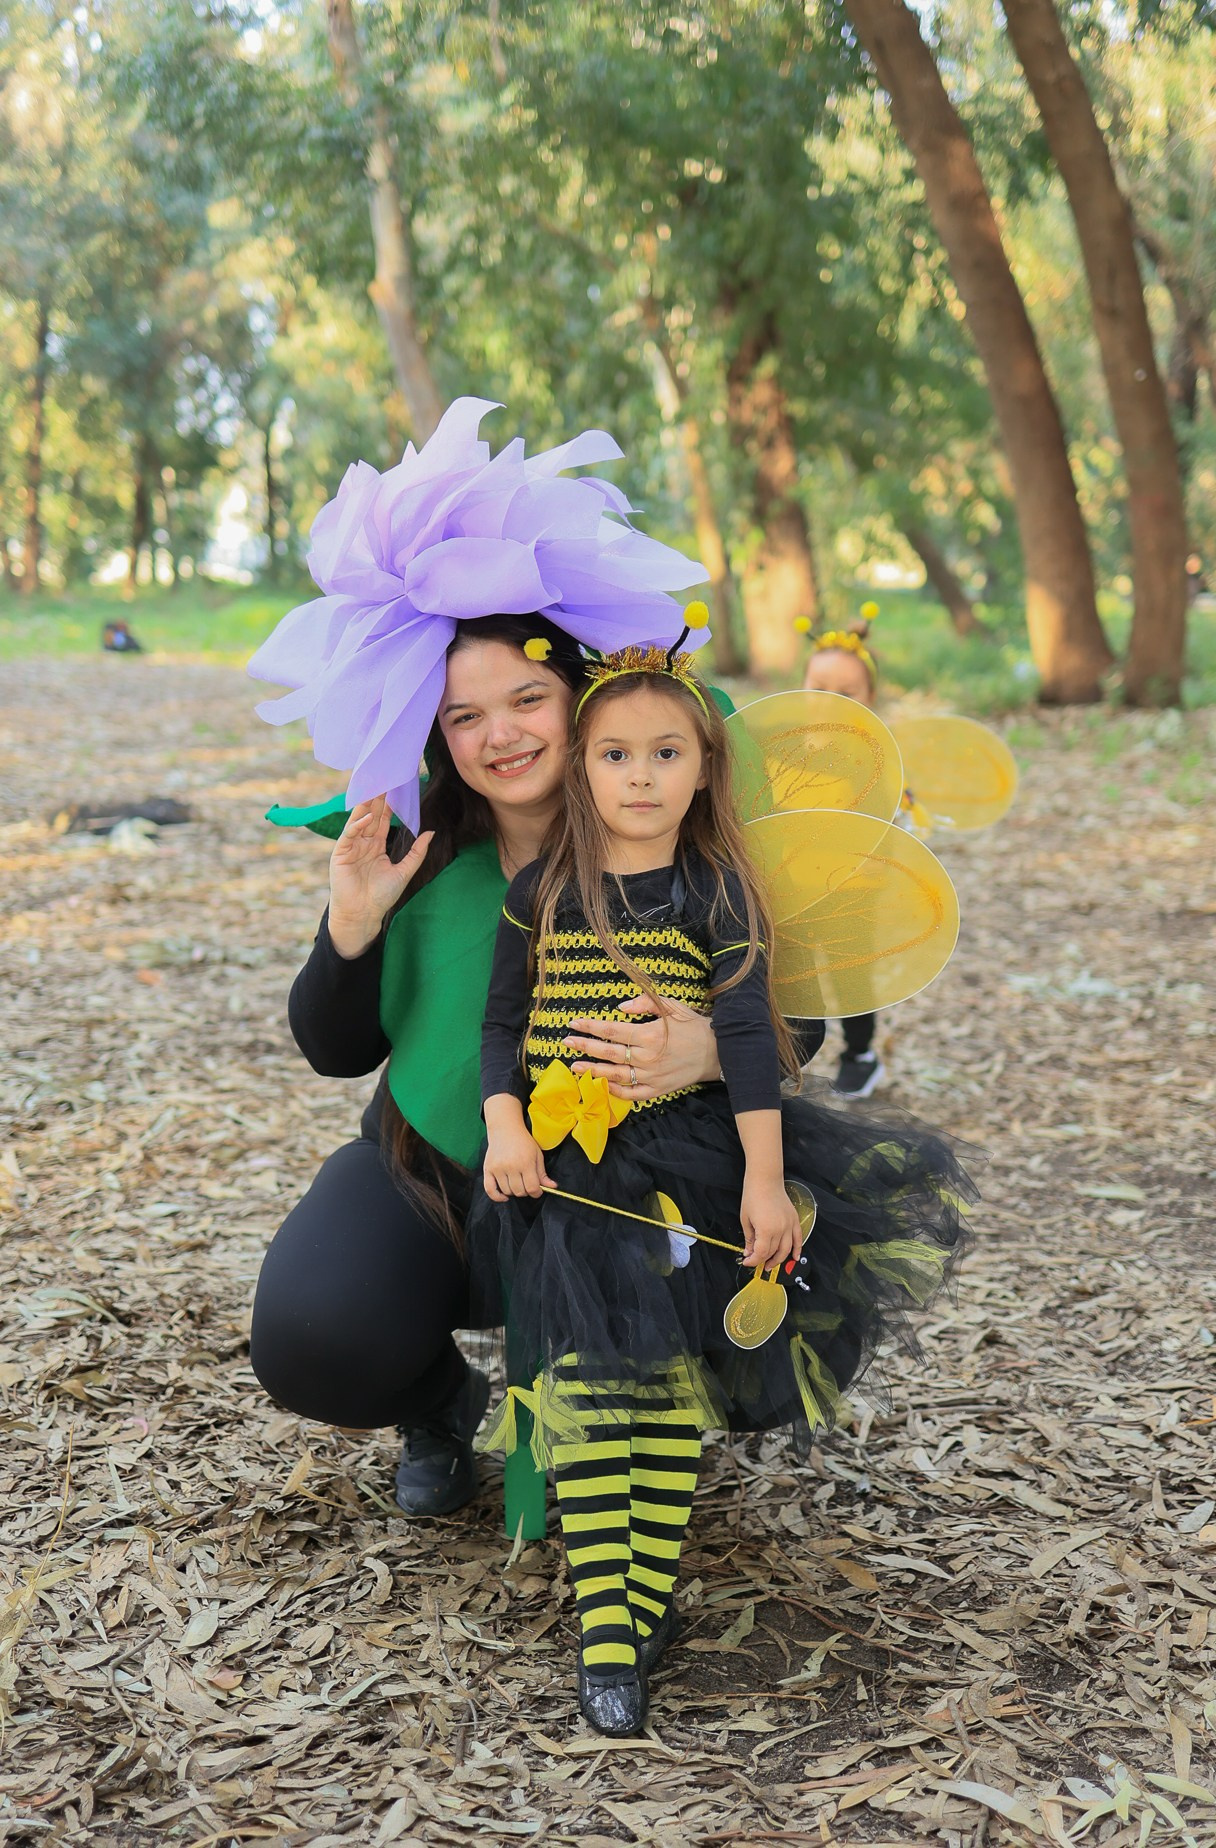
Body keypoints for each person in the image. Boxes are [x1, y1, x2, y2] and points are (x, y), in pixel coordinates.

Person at [246, 398, 770, 1520]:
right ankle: (438, 1400)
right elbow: (333, 1048)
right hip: (444, 1174)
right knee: (312, 1334)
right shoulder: (422, 850)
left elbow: (795, 1015)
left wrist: (705, 1048)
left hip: (640, 1181)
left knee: (763, 1343)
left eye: (528, 698)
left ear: (582, 701)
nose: (501, 735)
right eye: (462, 717)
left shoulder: (676, 836)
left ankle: (633, 1436)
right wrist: (352, 924)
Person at [469, 628, 975, 1734]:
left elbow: (748, 1039)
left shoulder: (714, 890)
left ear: (703, 770)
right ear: (579, 765)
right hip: (567, 1178)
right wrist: (504, 1122)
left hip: (689, 1173)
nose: (637, 776)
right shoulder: (541, 888)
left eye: (664, 754)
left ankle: (637, 1599)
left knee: (656, 1398)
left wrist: (760, 1181)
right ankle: (608, 1628)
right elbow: (499, 1028)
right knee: (593, 1395)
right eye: (611, 755)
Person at [800, 603, 886, 1100]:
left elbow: (888, 813)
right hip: (796, 885)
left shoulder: (873, 751)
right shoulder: (782, 743)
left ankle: (861, 1053)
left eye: (846, 693)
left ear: (870, 698)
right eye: (819, 689)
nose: (831, 702)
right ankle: (793, 1054)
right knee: (794, 975)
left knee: (850, 975)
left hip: (854, 887)